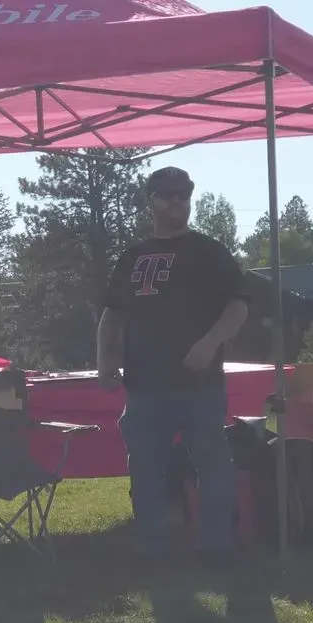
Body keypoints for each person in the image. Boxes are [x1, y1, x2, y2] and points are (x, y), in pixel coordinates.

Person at [96, 167, 249, 557]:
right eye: (168, 195)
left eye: (184, 195)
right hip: (145, 386)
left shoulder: (209, 251)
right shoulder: (133, 257)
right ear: (151, 201)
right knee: (146, 473)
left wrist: (210, 342)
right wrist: (105, 360)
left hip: (199, 386)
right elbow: (112, 315)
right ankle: (154, 550)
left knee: (213, 468)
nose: (178, 202)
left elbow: (239, 306)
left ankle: (217, 549)